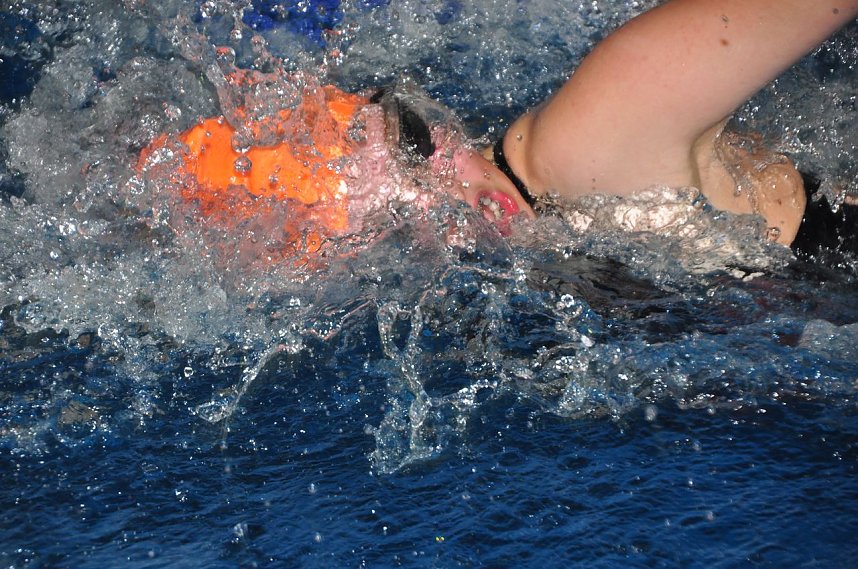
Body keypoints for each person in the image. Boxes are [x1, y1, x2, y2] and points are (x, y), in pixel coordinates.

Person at [140, 0, 858, 260]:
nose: (449, 191)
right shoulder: (542, 266)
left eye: (415, 143)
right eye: (394, 234)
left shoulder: (596, 126)